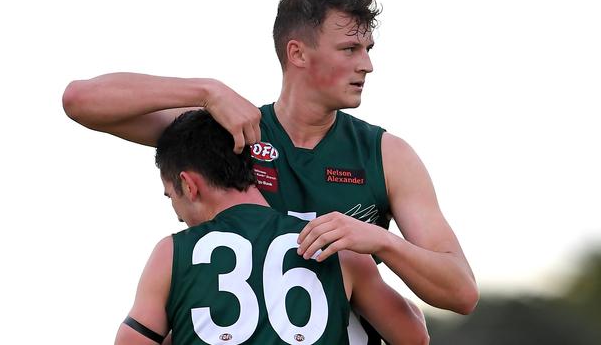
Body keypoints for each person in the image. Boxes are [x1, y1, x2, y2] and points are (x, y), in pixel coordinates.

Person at [64, 0, 478, 341]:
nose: (367, 65)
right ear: (297, 53)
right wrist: (205, 90)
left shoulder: (387, 154)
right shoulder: (231, 130)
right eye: (350, 48)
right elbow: (81, 101)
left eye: (368, 48)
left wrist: (382, 242)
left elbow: (460, 292)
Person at [114, 109, 428, 345]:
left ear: (189, 184)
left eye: (171, 196)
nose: (179, 215)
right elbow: (414, 337)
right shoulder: (338, 249)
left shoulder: (172, 252)